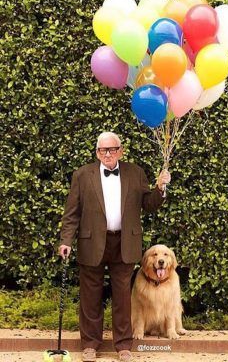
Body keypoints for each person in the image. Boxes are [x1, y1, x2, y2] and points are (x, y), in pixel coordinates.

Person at [59, 132, 170, 362]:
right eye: (102, 150)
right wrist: (66, 241)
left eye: (111, 149)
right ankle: (90, 345)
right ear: (97, 152)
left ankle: (123, 345)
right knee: (90, 296)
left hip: (125, 242)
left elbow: (148, 204)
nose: (107, 154)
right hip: (92, 242)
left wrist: (159, 188)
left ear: (120, 150)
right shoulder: (82, 175)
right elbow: (72, 213)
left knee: (122, 297)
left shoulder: (135, 172)